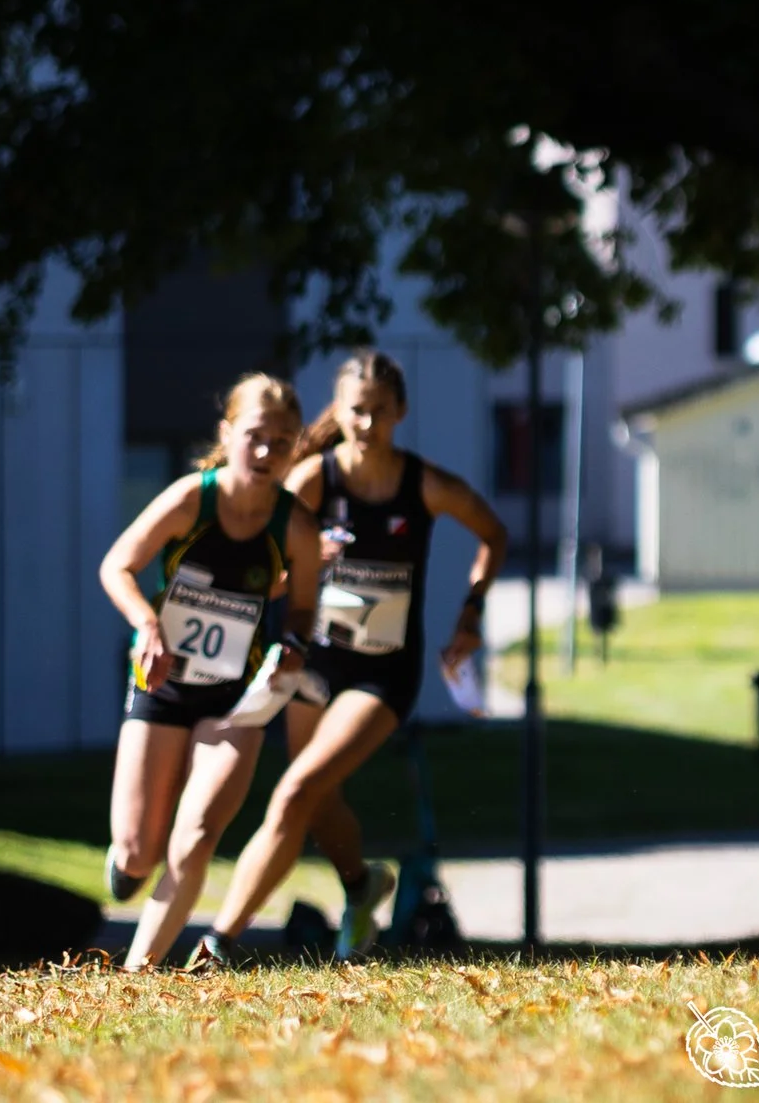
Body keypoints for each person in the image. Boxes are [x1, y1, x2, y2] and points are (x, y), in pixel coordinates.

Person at [194, 349, 509, 965]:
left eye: (379, 413)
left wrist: (471, 614)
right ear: (338, 412)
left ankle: (219, 941)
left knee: (294, 792)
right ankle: (363, 887)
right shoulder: (314, 481)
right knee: (315, 801)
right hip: (314, 661)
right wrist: (304, 565)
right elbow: (268, 566)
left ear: (401, 414)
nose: (366, 425)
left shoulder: (423, 484)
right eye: (355, 412)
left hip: (382, 673)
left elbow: (493, 533)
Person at [100, 374, 321, 970]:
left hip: (235, 699)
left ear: (295, 446)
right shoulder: (189, 500)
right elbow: (118, 565)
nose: (267, 452)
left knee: (195, 838)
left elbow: (302, 608)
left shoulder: (295, 525)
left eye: (281, 441)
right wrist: (148, 625)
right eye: (255, 437)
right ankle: (126, 864)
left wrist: (295, 645)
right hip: (164, 684)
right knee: (140, 851)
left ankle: (137, 974)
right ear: (228, 434)